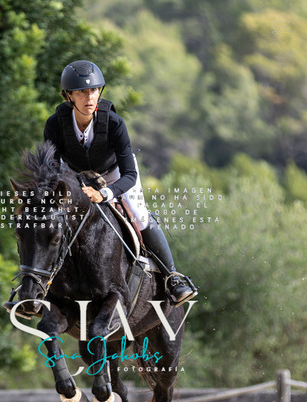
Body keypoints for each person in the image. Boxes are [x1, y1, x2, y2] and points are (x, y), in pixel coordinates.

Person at [44, 59, 197, 307]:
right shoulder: (55, 124)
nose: (89, 97)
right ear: (68, 95)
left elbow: (130, 175)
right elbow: (51, 169)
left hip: (115, 175)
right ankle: (37, 283)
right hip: (75, 177)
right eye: (81, 92)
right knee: (49, 218)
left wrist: (104, 194)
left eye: (94, 90)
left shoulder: (114, 123)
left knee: (139, 215)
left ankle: (172, 277)